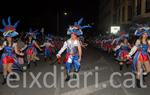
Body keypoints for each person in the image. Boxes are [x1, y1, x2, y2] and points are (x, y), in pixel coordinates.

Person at [0, 17, 24, 85]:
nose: (9, 38)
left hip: (11, 57)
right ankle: (5, 79)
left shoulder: (14, 44)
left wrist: (20, 54)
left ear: (12, 37)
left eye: (10, 37)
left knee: (9, 68)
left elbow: (16, 52)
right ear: (6, 37)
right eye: (7, 37)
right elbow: (1, 48)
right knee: (5, 69)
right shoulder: (5, 43)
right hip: (4, 56)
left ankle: (12, 75)